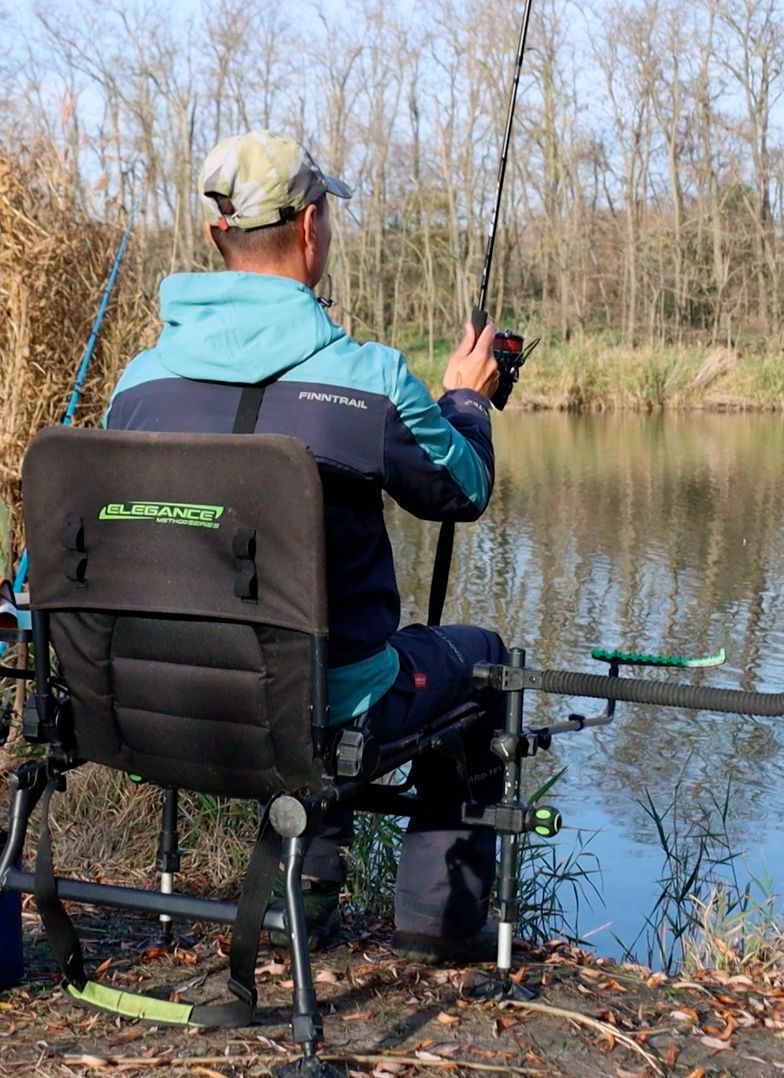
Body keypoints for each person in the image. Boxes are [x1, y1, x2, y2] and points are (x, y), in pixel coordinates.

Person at [102, 130, 505, 963]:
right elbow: (461, 491)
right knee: (480, 660)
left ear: (218, 237)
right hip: (319, 707)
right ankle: (438, 936)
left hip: (158, 700)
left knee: (303, 655)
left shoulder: (137, 385)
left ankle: (308, 902)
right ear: (314, 229)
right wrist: (466, 399)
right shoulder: (368, 381)